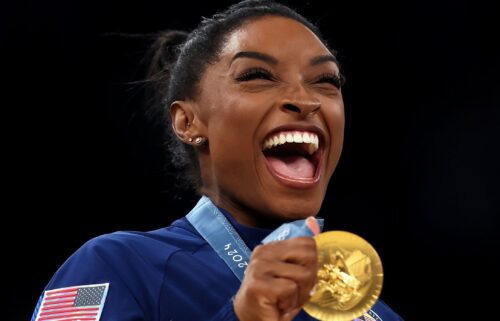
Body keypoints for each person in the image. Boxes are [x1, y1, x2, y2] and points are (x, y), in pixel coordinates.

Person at [31, 1, 403, 320]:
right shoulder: (115, 266)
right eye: (258, 76)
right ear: (188, 122)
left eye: (326, 81)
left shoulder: (368, 311)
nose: (307, 100)